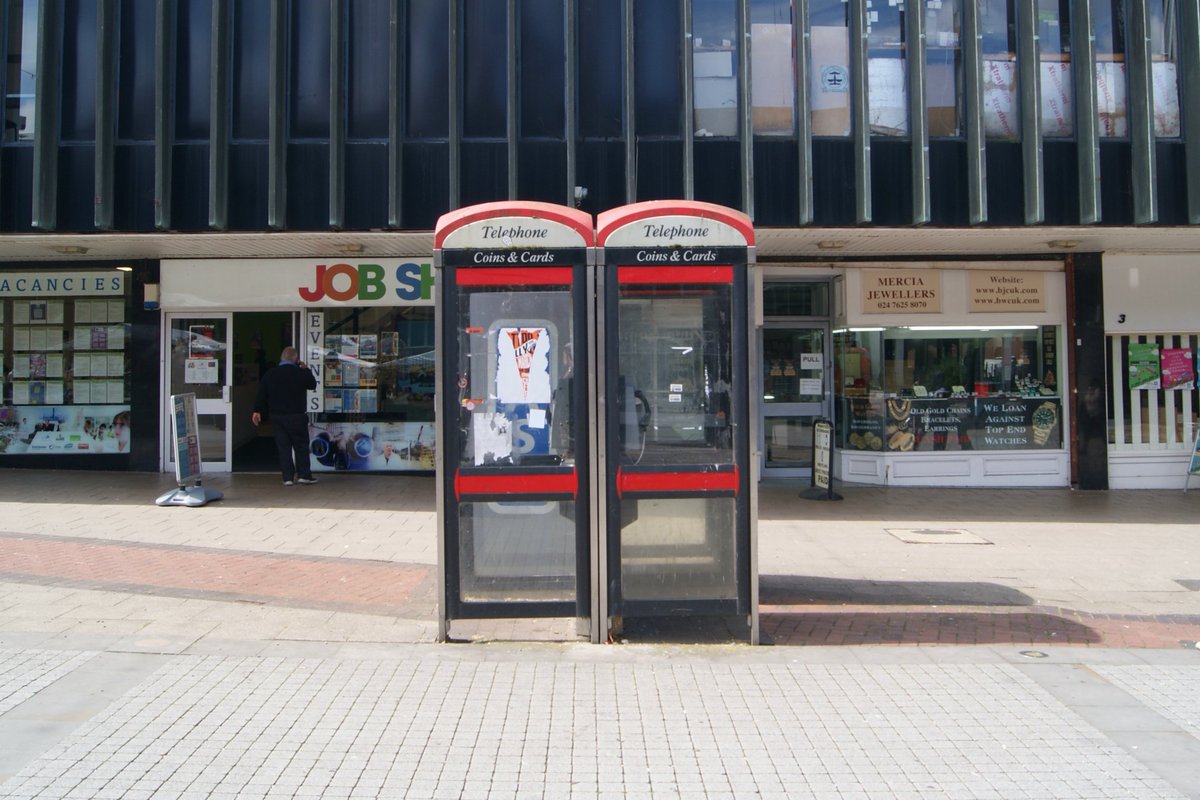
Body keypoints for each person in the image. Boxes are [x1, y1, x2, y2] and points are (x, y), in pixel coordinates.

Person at [252, 346, 318, 486]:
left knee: (284, 447)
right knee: (301, 446)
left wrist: (257, 410)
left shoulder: (270, 374)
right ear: (296, 360)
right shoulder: (300, 373)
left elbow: (261, 393)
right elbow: (312, 384)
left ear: (281, 358)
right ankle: (304, 475)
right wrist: (305, 369)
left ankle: (287, 477)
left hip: (277, 416)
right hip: (297, 415)